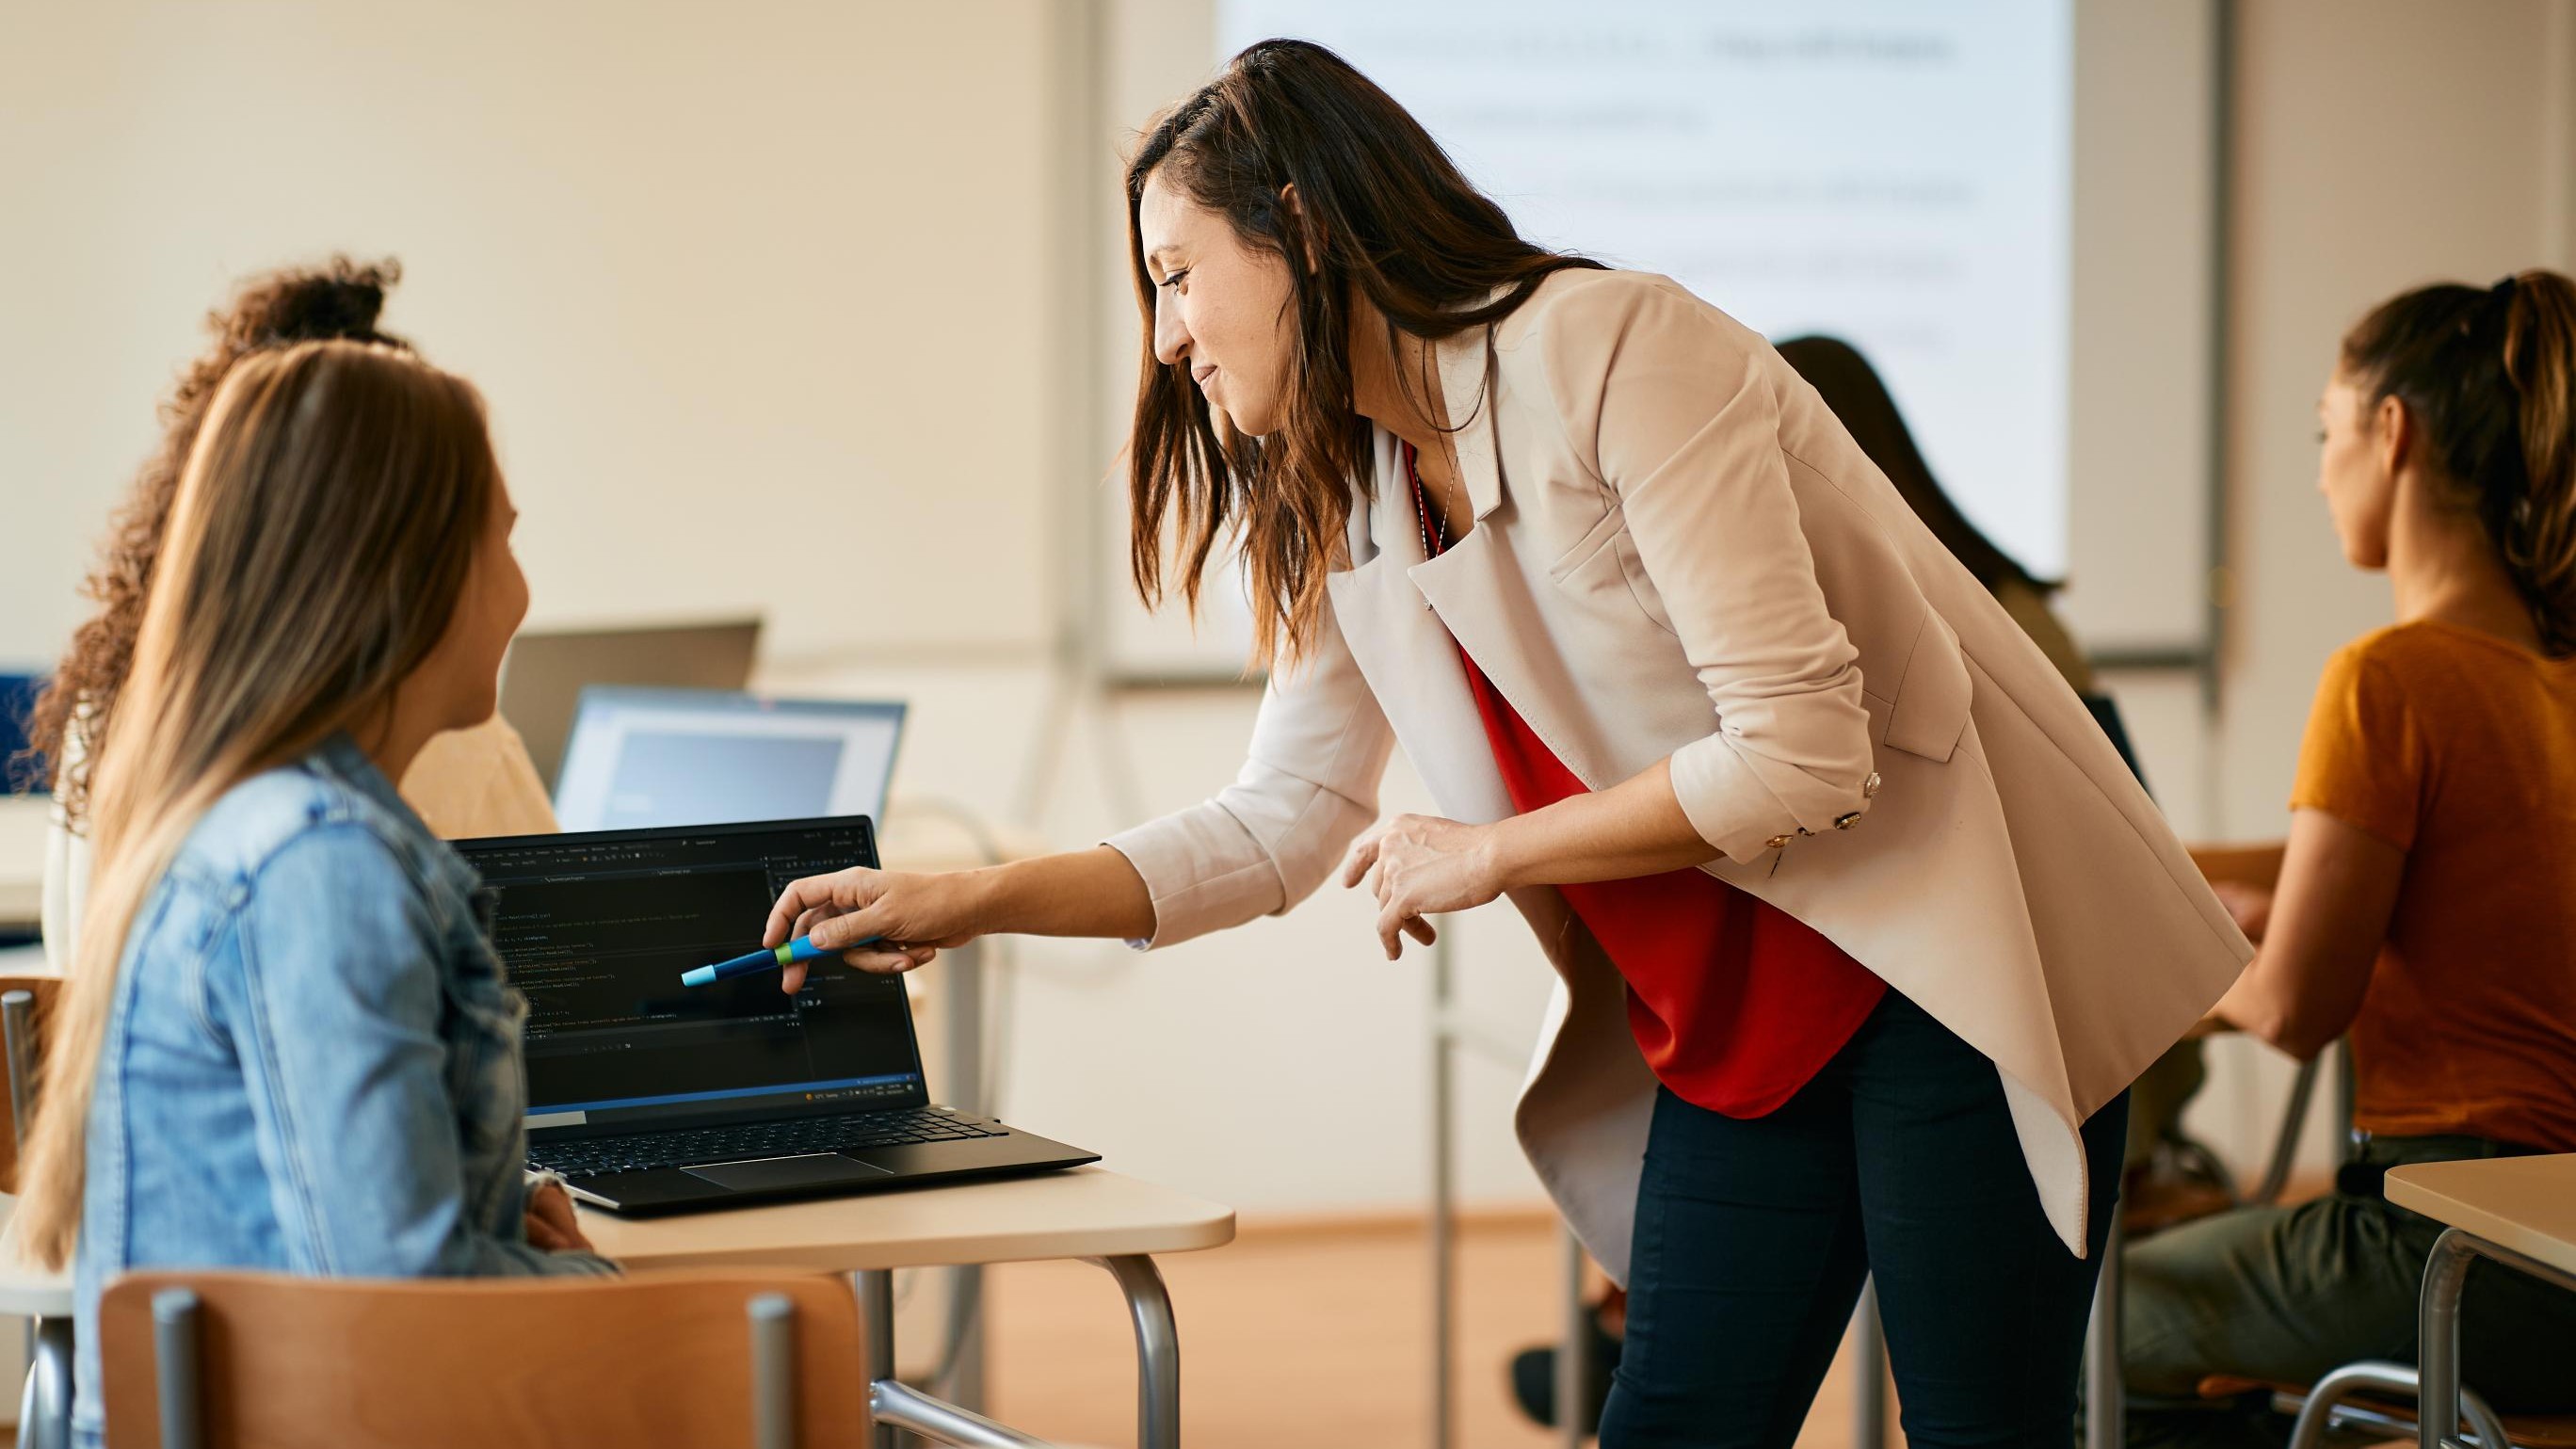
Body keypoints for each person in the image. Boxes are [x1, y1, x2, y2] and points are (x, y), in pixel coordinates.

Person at [766, 40, 2246, 1447]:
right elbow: (1282, 820)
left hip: (1949, 958)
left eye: (1175, 275)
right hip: (1746, 1022)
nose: (1164, 338)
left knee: (1980, 1427)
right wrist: (969, 899)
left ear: (1296, 221)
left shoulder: (1613, 348)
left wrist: (1487, 852)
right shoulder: (1356, 490)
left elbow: (1802, 751)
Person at [1506, 333, 2240, 1434]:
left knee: (1970, 1405)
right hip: (1831, 1014)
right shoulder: (1774, 617)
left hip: (2005, 1019)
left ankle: (1607, 1338)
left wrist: (1505, 851)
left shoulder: (1989, 627)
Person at [12, 341, 615, 1449]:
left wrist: (496, 1224)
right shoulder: (321, 869)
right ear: (410, 570)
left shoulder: (250, 824)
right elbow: (399, 1314)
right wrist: (581, 1289)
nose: (525, 591)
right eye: (506, 538)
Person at [2119, 272, 2576, 1449]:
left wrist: (2164, 953)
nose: (2319, 472)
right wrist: (2276, 905)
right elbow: (2446, 887)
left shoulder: (2388, 678)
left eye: (2326, 432)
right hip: (2558, 1244)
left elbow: (2289, 1011)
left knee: (2094, 1317)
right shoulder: (2549, 683)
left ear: (2392, 430)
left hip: (2459, 1255)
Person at [23, 256, 558, 976]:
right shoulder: (348, 840)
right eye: (483, 538)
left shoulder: (129, 714)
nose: (518, 591)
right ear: (382, 545)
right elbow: (567, 1004)